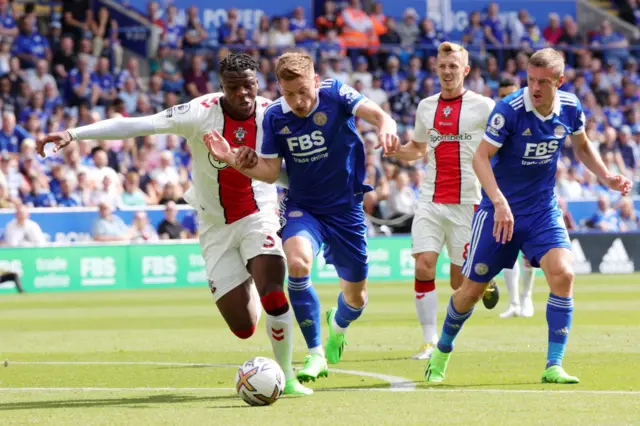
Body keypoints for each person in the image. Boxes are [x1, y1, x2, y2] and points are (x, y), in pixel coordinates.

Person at [35, 53, 312, 396]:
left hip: (260, 215)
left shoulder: (272, 114)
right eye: (234, 87)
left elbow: (287, 174)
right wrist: (73, 134)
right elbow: (137, 124)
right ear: (221, 88)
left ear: (259, 83)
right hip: (215, 226)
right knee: (243, 327)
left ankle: (287, 375)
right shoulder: (199, 113)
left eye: (249, 86)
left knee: (273, 291)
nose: (243, 94)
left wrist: (258, 166)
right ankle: (251, 277)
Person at [425, 48, 632, 384]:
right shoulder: (509, 110)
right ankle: (442, 349)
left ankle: (554, 364)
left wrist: (606, 176)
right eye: (531, 80)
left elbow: (581, 145)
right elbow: (480, 158)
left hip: (541, 211)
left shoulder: (571, 107)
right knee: (469, 293)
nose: (535, 88)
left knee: (563, 274)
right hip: (498, 214)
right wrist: (499, 201)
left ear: (559, 82)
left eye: (543, 82)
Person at [205, 52, 400, 382]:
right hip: (304, 207)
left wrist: (387, 128)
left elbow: (379, 116)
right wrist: (234, 159)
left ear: (314, 81)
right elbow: (268, 172)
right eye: (288, 93)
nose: (297, 101)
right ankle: (315, 354)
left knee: (356, 297)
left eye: (303, 92)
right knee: (296, 264)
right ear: (279, 87)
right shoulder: (274, 118)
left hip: (346, 210)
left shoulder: (335, 92)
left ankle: (337, 326)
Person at [384, 42, 499, 361]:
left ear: (465, 70)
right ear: (436, 69)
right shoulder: (425, 107)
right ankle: (428, 340)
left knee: (459, 282)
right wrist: (397, 150)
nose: (447, 72)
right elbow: (418, 148)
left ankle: (484, 279)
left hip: (468, 202)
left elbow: (499, 148)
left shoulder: (484, 106)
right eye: (442, 66)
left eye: (454, 66)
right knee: (423, 265)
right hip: (431, 199)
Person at [496, 77, 537, 319]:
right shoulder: (496, 120)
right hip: (504, 191)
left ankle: (526, 297)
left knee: (529, 249)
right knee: (506, 246)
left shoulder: (530, 118)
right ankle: (513, 302)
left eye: (510, 94)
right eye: (502, 94)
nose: (506, 99)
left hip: (531, 192)